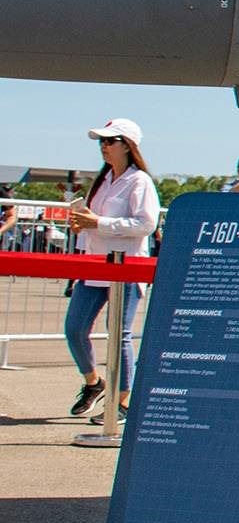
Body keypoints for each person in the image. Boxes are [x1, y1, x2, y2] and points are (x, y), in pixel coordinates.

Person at [64, 118, 160, 421]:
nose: (104, 146)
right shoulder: (103, 180)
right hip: (95, 264)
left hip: (126, 266)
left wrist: (99, 223)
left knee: (119, 334)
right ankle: (94, 383)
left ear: (128, 146)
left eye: (110, 141)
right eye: (102, 142)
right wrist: (83, 223)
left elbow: (146, 224)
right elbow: (96, 222)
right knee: (75, 329)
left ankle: (123, 400)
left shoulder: (140, 181)